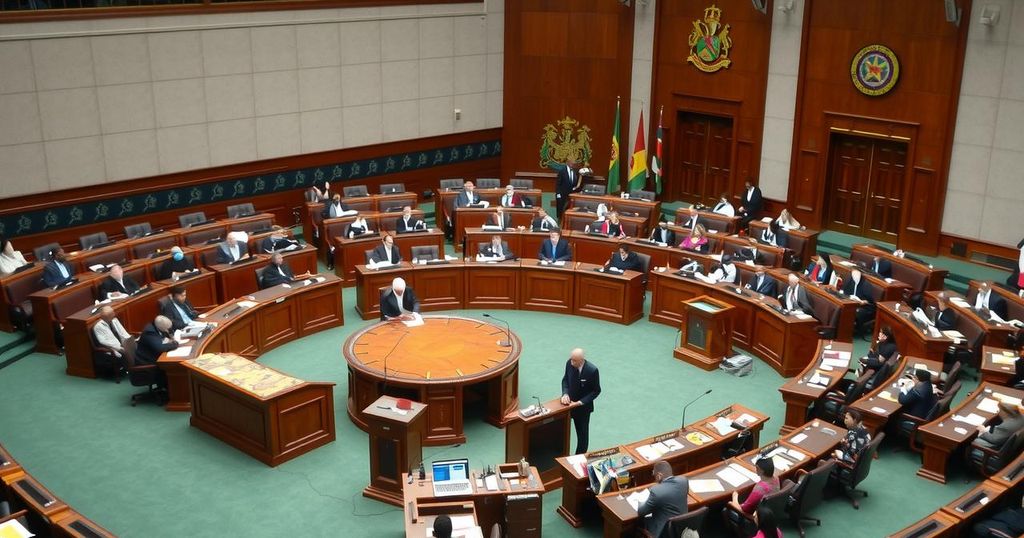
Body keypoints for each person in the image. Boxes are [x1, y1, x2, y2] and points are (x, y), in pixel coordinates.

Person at [560, 348, 601, 454]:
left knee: (582, 437)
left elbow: (596, 391)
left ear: (582, 360)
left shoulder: (592, 370)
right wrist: (565, 393)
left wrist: (580, 402)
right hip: (568, 406)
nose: (572, 362)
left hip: (583, 409)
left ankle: (578, 458)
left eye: (575, 361)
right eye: (571, 359)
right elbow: (565, 380)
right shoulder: (569, 363)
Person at [637, 461, 688, 538]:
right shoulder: (684, 481)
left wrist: (639, 501)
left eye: (654, 476)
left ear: (659, 476)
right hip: (682, 529)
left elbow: (641, 512)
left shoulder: (657, 491)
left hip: (663, 533)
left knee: (637, 524)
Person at [135, 316, 177, 388]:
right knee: (174, 366)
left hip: (152, 356)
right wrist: (174, 345)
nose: (169, 331)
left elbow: (163, 338)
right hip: (148, 364)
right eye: (167, 329)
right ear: (162, 328)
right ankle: (171, 390)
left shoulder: (156, 325)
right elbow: (159, 348)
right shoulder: (150, 332)